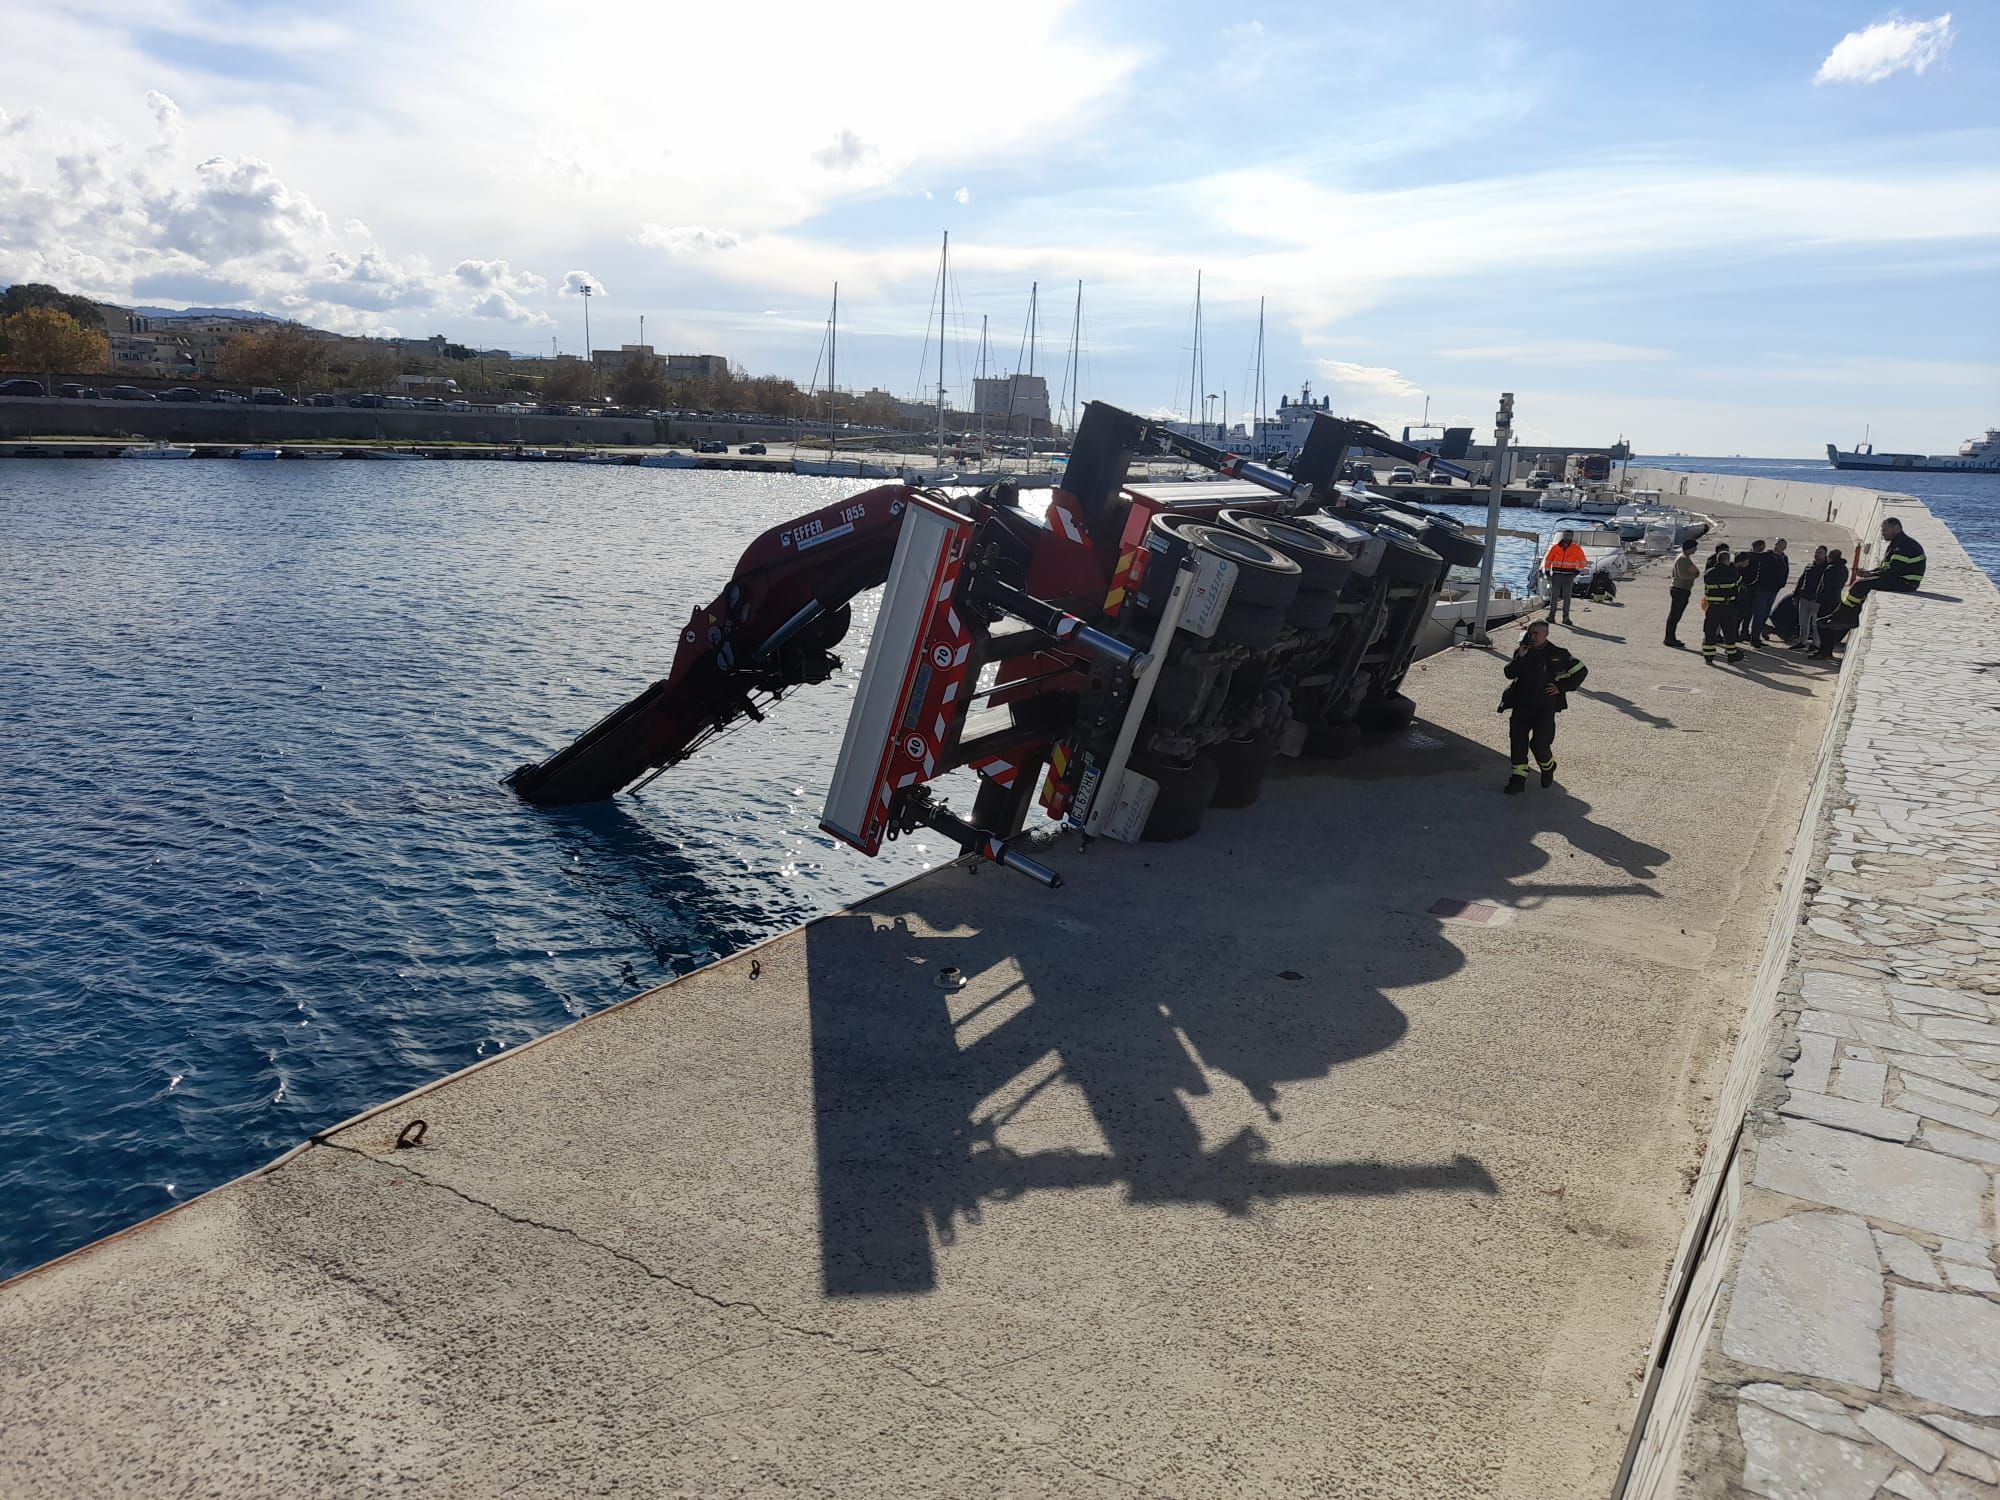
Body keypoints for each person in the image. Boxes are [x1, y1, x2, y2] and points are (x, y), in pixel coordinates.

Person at [1815, 519, 1924, 656]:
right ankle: (1846, 616)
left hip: (1906, 582)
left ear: (1896, 528)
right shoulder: (1898, 543)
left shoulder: (1903, 546)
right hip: (1900, 579)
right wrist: (1870, 573)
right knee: (1862, 584)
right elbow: (1887, 568)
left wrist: (1871, 575)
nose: (1882, 533)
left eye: (1885, 530)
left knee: (1860, 585)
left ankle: (1840, 617)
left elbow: (1892, 572)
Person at [1500, 619, 1586, 793]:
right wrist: (1520, 658)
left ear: (1546, 635)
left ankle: (1548, 767)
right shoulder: (1522, 652)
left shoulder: (1558, 653)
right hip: (1521, 705)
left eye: (1536, 633)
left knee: (1539, 745)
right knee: (1517, 742)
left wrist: (1561, 688)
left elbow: (1581, 670)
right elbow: (1509, 673)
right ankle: (1518, 779)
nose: (1532, 636)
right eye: (1530, 633)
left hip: (1544, 708)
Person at [1702, 544, 1745, 665]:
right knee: (1729, 632)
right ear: (1727, 561)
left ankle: (1708, 655)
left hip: (1712, 607)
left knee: (1710, 631)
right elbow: (1741, 587)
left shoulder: (1709, 573)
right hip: (1727, 607)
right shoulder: (1732, 573)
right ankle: (1732, 655)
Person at [1808, 548, 1849, 657]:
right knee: (1831, 627)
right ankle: (1828, 650)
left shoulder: (1830, 569)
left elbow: (1824, 587)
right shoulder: (1844, 569)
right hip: (1836, 600)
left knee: (1822, 626)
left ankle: (1823, 651)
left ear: (1830, 558)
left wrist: (1818, 598)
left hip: (1826, 601)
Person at [1543, 530, 1587, 624]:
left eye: (1569, 535)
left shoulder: (1576, 548)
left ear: (1572, 537)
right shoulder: (1555, 547)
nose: (1567, 537)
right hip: (1556, 575)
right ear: (1562, 536)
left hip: (1569, 576)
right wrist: (1547, 572)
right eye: (1565, 535)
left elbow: (1583, 561)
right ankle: (1551, 616)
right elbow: (1548, 560)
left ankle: (1565, 618)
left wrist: (1577, 571)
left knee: (1567, 597)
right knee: (1554, 597)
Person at [1791, 545, 1829, 650]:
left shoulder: (1827, 568)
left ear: (1825, 554)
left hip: (1816, 600)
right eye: (1816, 552)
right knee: (1803, 622)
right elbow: (1801, 581)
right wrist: (1796, 594)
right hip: (1804, 598)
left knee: (1815, 624)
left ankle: (1816, 644)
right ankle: (1802, 641)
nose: (1817, 554)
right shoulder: (1809, 566)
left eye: (1820, 552)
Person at [1752, 538, 1789, 642]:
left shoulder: (1784, 559)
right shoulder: (1766, 556)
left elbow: (1785, 572)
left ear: (1784, 548)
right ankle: (1754, 637)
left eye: (1781, 545)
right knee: (1759, 614)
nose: (1778, 547)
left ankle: (1760, 633)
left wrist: (1781, 585)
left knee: (1765, 614)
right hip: (1762, 589)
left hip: (1773, 590)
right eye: (1777, 544)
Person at [1665, 538, 1699, 648]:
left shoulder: (1685, 558)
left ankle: (1670, 637)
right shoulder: (1683, 559)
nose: (1696, 550)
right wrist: (1695, 575)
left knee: (1675, 615)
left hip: (1682, 589)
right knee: (1675, 615)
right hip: (1680, 589)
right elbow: (1682, 575)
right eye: (1694, 548)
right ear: (1690, 548)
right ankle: (1669, 638)